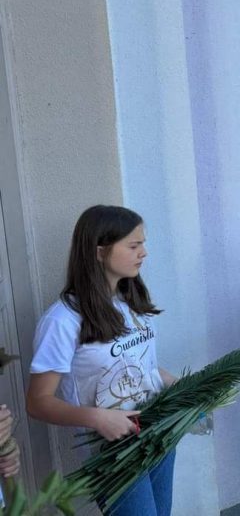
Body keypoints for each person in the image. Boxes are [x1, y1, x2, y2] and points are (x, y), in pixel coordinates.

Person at [27, 205, 177, 515]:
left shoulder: (130, 302)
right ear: (99, 252)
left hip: (158, 433)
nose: (144, 253)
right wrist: (97, 418)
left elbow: (142, 369)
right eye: (133, 245)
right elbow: (38, 402)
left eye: (142, 244)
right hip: (113, 454)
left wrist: (183, 387)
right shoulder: (62, 320)